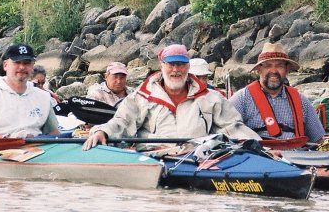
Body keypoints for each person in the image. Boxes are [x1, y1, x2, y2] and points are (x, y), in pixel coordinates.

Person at [83, 44, 259, 149]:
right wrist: (102, 131)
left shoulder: (211, 98)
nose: (176, 70)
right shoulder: (141, 96)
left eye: (181, 64)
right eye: (171, 64)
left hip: (198, 159)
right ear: (162, 66)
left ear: (188, 67)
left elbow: (233, 127)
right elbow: (122, 121)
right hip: (153, 158)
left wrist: (260, 147)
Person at [229, 43, 324, 143]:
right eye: (268, 66)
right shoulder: (242, 98)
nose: (273, 71)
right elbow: (225, 132)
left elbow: (318, 140)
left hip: (296, 152)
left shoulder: (302, 101)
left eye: (279, 66)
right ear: (259, 69)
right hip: (257, 152)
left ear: (287, 70)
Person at [0, 43, 59, 139]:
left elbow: (54, 134)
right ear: (5, 65)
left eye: (27, 63)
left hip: (38, 147)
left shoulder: (44, 97)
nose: (22, 67)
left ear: (32, 66)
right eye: (17, 62)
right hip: (1, 148)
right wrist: (9, 138)